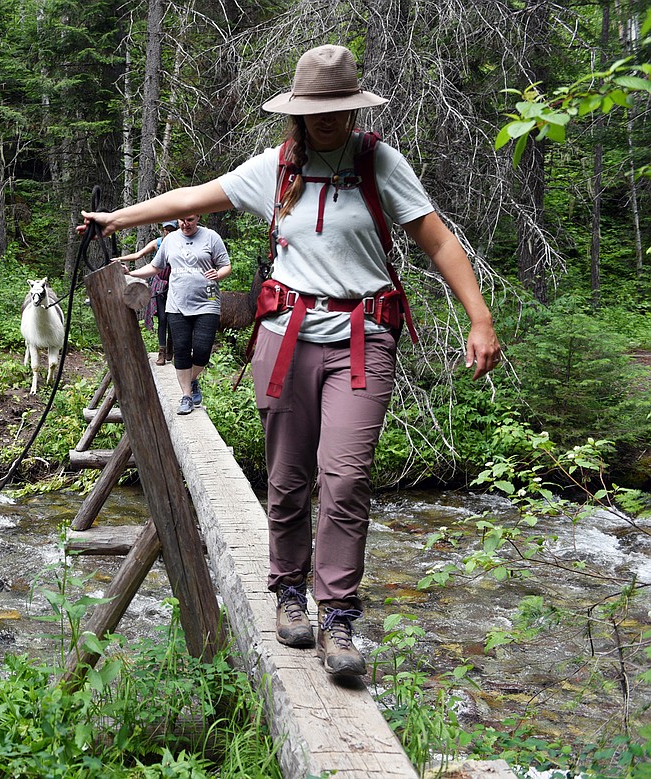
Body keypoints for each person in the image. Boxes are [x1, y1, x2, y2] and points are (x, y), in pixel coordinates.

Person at [79, 44, 501, 676]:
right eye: (315, 108)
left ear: (354, 108)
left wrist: (479, 316)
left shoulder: (379, 162)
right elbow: (192, 196)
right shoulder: (276, 169)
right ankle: (288, 593)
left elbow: (436, 238)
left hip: (363, 339)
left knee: (347, 476)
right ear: (298, 112)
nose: (327, 119)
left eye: (338, 107)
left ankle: (338, 616)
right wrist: (117, 219)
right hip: (286, 337)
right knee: (287, 476)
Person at [123, 214, 231, 416]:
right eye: (181, 220)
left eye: (189, 219)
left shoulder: (211, 237)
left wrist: (219, 274)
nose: (185, 224)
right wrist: (131, 273)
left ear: (198, 217)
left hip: (207, 303)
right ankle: (186, 396)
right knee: (181, 349)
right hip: (177, 304)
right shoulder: (170, 240)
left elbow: (226, 265)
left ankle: (190, 379)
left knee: (202, 350)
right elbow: (156, 267)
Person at [111, 220, 180, 364]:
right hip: (160, 285)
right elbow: (138, 255)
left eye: (171, 229)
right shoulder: (158, 243)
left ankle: (170, 347)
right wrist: (119, 259)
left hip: (176, 285)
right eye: (166, 229)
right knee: (162, 318)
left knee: (173, 318)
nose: (168, 232)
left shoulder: (180, 242)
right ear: (162, 230)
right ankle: (162, 351)